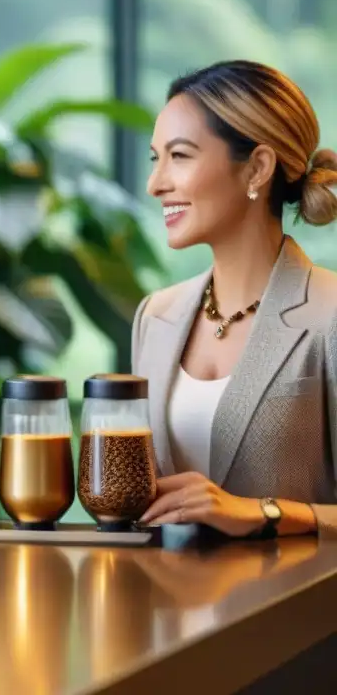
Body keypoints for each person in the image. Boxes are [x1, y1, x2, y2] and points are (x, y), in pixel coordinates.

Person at [133, 60, 337, 539]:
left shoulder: (329, 315)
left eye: (179, 156)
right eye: (154, 158)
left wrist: (264, 512)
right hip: (161, 607)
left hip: (291, 612)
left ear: (258, 167)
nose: (155, 184)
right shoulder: (155, 317)